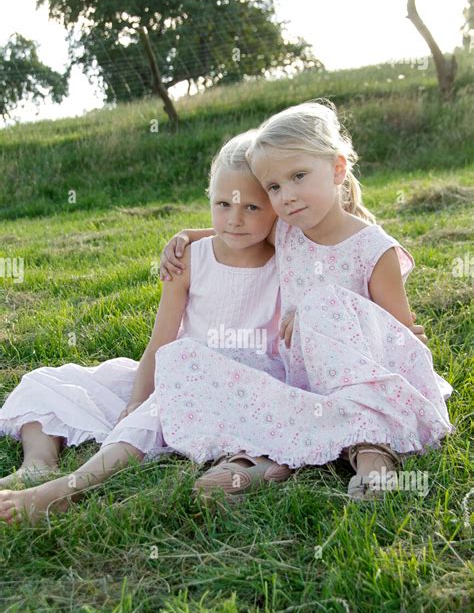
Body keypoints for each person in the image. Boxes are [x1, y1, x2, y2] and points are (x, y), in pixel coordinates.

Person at [156, 99, 455, 503]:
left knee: (320, 305)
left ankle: (372, 452)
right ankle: (265, 456)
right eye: (275, 187)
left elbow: (398, 338)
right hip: (299, 380)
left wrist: (323, 315)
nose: (287, 196)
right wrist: (185, 238)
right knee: (185, 357)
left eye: (298, 176)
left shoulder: (373, 249)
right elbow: (235, 226)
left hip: (362, 383)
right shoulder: (287, 231)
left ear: (337, 168)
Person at [0, 132, 291, 523]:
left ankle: (68, 489)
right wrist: (136, 400)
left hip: (238, 386)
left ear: (275, 207)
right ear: (210, 198)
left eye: (252, 207)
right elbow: (161, 343)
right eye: (223, 204)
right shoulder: (189, 259)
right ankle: (39, 462)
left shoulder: (286, 260)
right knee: (49, 382)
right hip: (175, 371)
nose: (234, 219)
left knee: (169, 393)